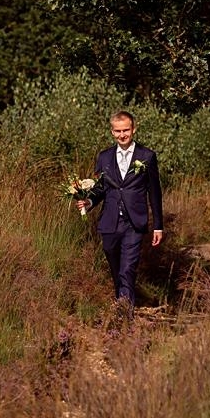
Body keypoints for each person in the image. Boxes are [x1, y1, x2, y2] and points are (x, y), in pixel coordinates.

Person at [74, 110, 164, 312]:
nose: (122, 135)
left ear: (134, 129)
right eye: (118, 131)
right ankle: (121, 295)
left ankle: (125, 312)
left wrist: (158, 225)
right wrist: (88, 202)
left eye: (126, 130)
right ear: (112, 132)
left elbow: (155, 193)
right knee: (113, 260)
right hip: (110, 220)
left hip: (135, 222)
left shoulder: (147, 156)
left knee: (127, 268)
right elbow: (100, 188)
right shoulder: (104, 157)